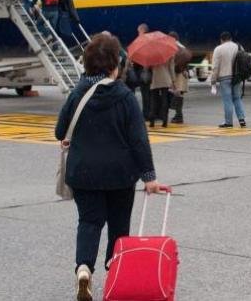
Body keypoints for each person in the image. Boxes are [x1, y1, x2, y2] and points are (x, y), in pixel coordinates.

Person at [53, 32, 170, 301]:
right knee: (119, 225)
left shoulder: (77, 94)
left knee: (89, 221)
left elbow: (60, 131)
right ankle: (115, 269)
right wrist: (149, 177)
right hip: (120, 175)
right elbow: (139, 140)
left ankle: (84, 268)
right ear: (114, 65)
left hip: (84, 173)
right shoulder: (125, 96)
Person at [210, 31, 246, 128]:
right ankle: (242, 119)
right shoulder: (238, 47)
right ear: (231, 38)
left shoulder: (218, 49)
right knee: (237, 98)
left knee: (227, 100)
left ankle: (228, 122)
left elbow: (215, 67)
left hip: (224, 78)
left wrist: (213, 81)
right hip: (237, 77)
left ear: (221, 39)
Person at [147, 49, 175, 128]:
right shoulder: (169, 53)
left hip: (155, 79)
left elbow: (148, 67)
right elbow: (171, 68)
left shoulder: (151, 54)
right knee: (165, 100)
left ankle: (152, 121)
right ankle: (165, 121)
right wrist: (173, 80)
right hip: (166, 79)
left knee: (153, 101)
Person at [169, 32, 190, 124]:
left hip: (178, 74)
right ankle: (178, 115)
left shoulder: (175, 48)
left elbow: (174, 63)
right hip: (183, 73)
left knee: (177, 94)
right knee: (179, 94)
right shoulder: (183, 47)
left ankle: (179, 116)